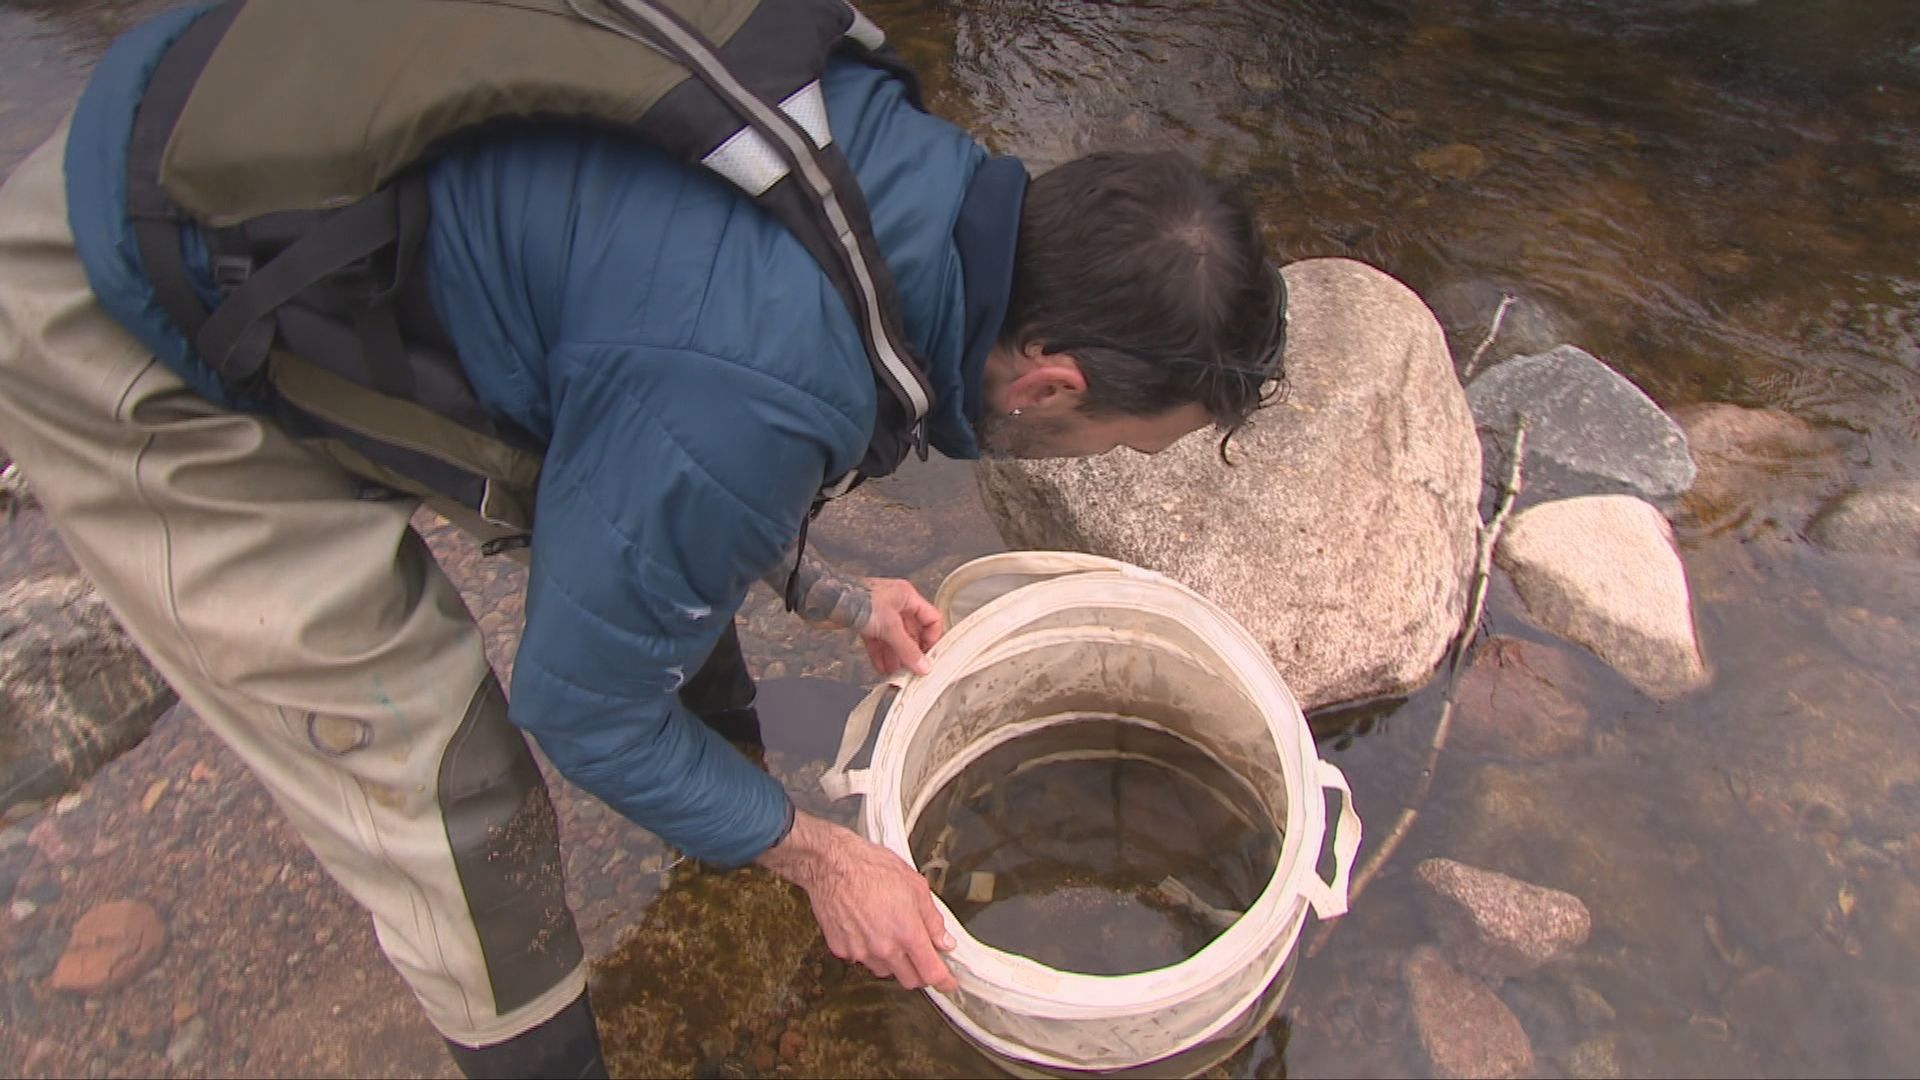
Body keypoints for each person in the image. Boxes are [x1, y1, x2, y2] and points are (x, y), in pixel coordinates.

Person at [0, 3, 1286, 1077]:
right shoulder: (757, 381)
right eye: (1112, 445)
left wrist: (835, 597)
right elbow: (581, 702)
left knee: (645, 563)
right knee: (450, 793)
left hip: (250, 103)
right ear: (1052, 382)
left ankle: (706, 816)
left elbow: (651, 411)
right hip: (129, 290)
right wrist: (822, 857)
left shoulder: (890, 153)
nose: (1088, 464)